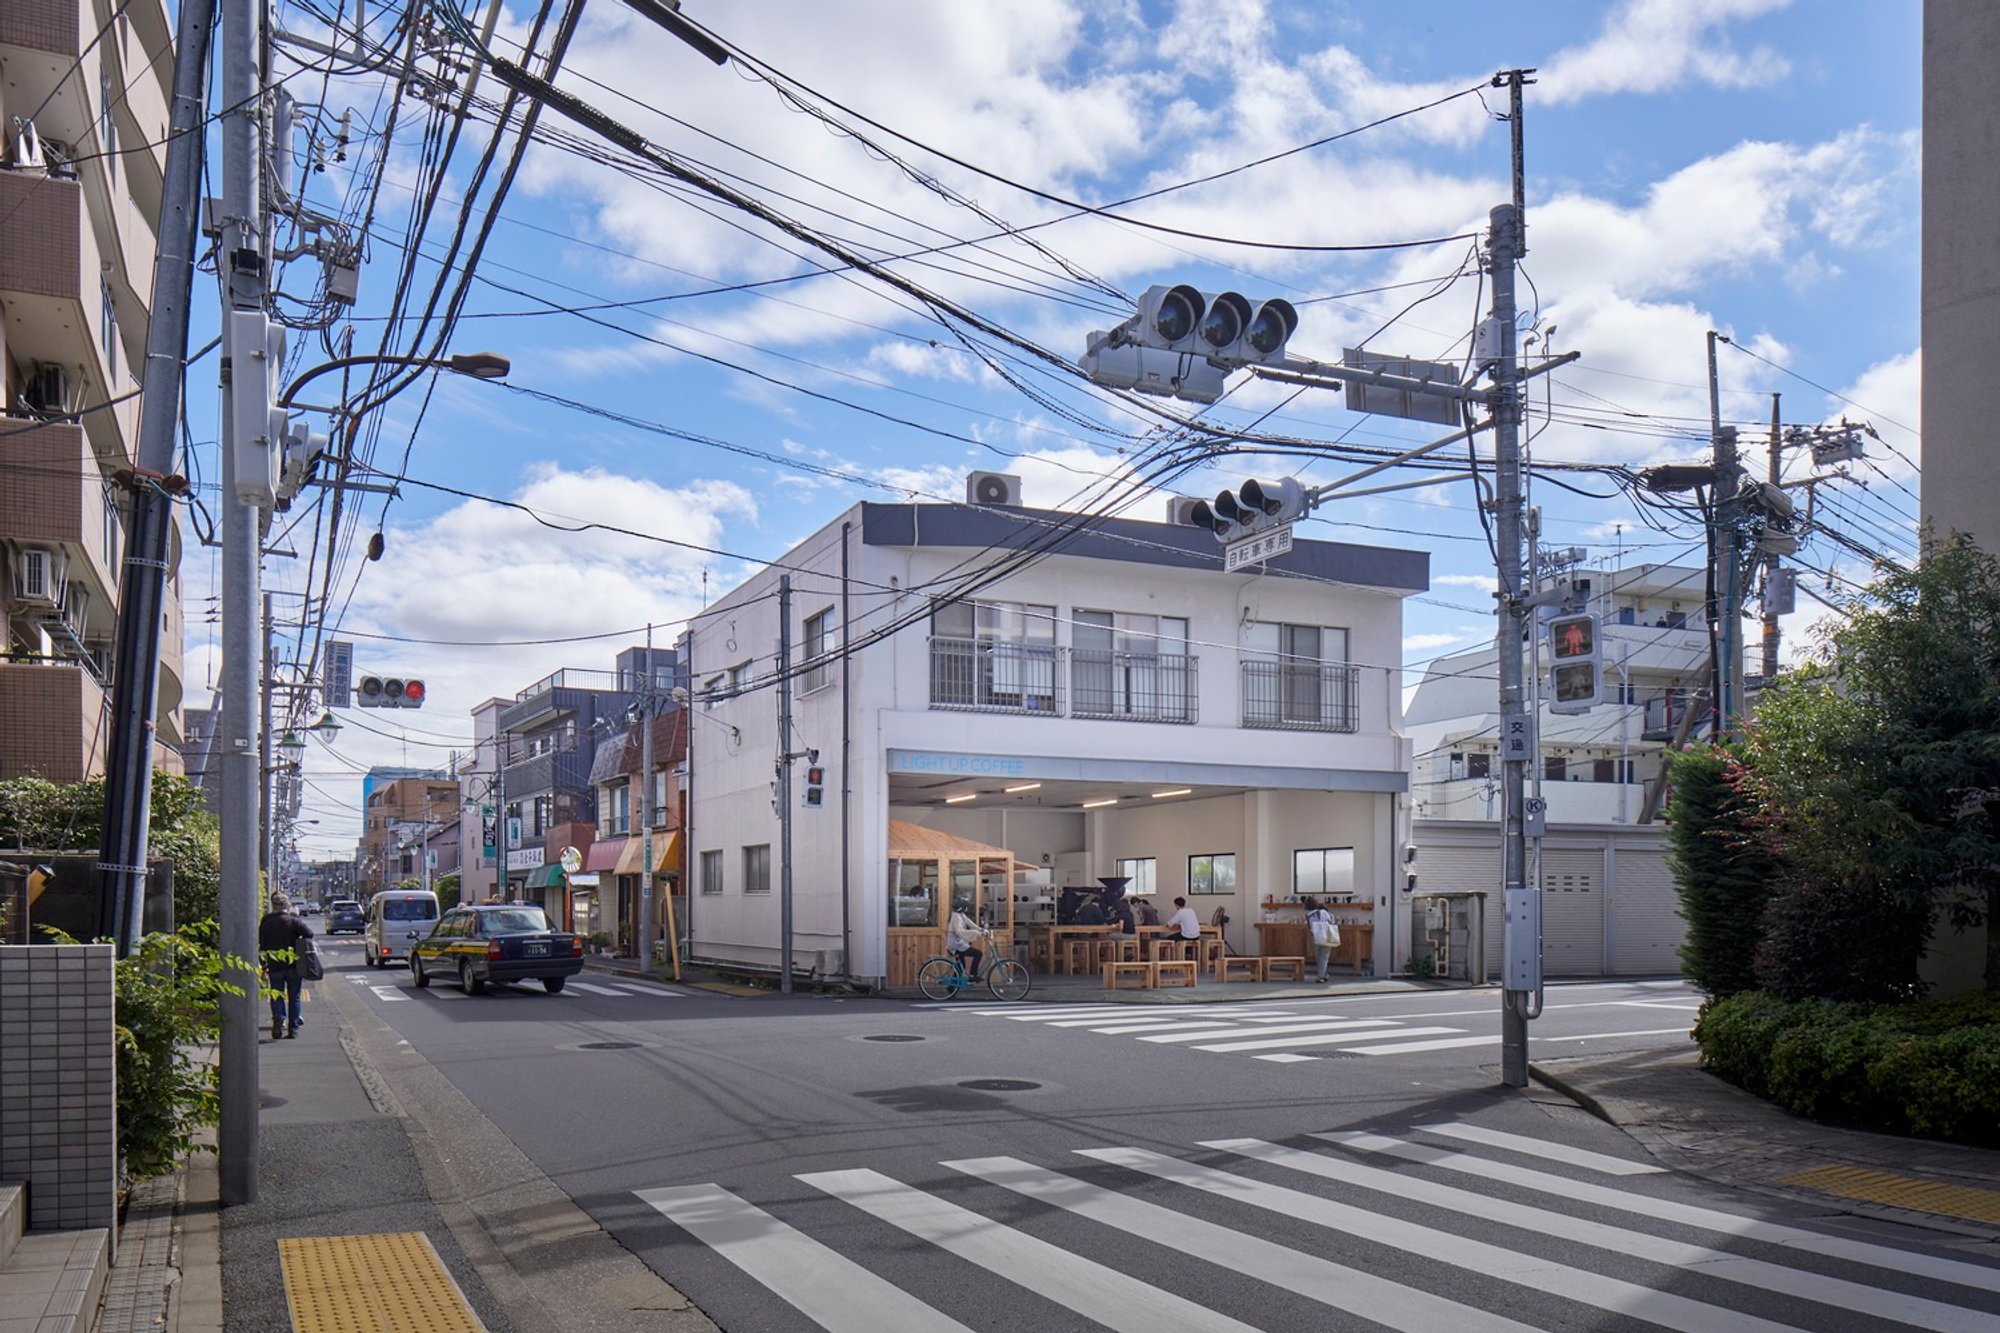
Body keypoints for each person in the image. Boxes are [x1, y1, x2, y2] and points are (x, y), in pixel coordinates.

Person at [258, 893, 315, 1040]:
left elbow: (262, 944)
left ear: (273, 905)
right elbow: (309, 933)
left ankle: (278, 1018)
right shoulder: (293, 921)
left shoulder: (266, 921)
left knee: (276, 995)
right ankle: (293, 1029)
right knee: (294, 996)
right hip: (293, 964)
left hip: (274, 964)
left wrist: (264, 966)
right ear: (287, 905)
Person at [1303, 896, 1340, 983]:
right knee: (1324, 956)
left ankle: (1324, 974)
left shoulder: (1308, 915)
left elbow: (1310, 927)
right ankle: (1321, 976)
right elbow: (1332, 920)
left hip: (1315, 936)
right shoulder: (1323, 912)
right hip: (1326, 935)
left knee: (1319, 957)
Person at [946, 899, 985, 980]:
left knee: (960, 968)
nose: (966, 907)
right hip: (956, 945)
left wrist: (981, 930)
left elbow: (970, 923)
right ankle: (973, 975)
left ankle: (951, 988)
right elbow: (959, 932)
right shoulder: (956, 917)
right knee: (978, 953)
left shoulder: (961, 915)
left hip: (959, 944)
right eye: (965, 906)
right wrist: (975, 932)